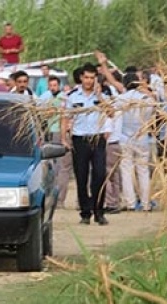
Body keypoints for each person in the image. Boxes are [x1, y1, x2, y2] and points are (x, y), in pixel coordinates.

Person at [61, 63, 112, 225]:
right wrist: (64, 138)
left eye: (92, 78)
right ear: (81, 78)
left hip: (97, 139)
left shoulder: (103, 94)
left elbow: (111, 112)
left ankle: (99, 211)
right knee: (81, 176)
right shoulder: (73, 96)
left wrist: (100, 97)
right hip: (80, 139)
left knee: (99, 175)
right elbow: (65, 118)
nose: (89, 81)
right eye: (86, 77)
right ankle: (85, 212)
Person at [113, 71, 156, 212]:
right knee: (143, 171)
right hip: (142, 137)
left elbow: (113, 112)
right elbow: (152, 113)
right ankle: (146, 203)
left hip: (125, 138)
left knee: (126, 171)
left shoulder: (120, 99)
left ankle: (130, 203)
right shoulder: (146, 99)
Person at [39, 77, 71, 208]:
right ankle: (48, 196)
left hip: (59, 132)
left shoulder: (64, 99)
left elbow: (65, 118)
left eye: (55, 85)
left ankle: (60, 199)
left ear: (59, 85)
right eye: (51, 85)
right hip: (48, 132)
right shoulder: (45, 97)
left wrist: (64, 137)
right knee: (49, 166)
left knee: (62, 167)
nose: (53, 87)